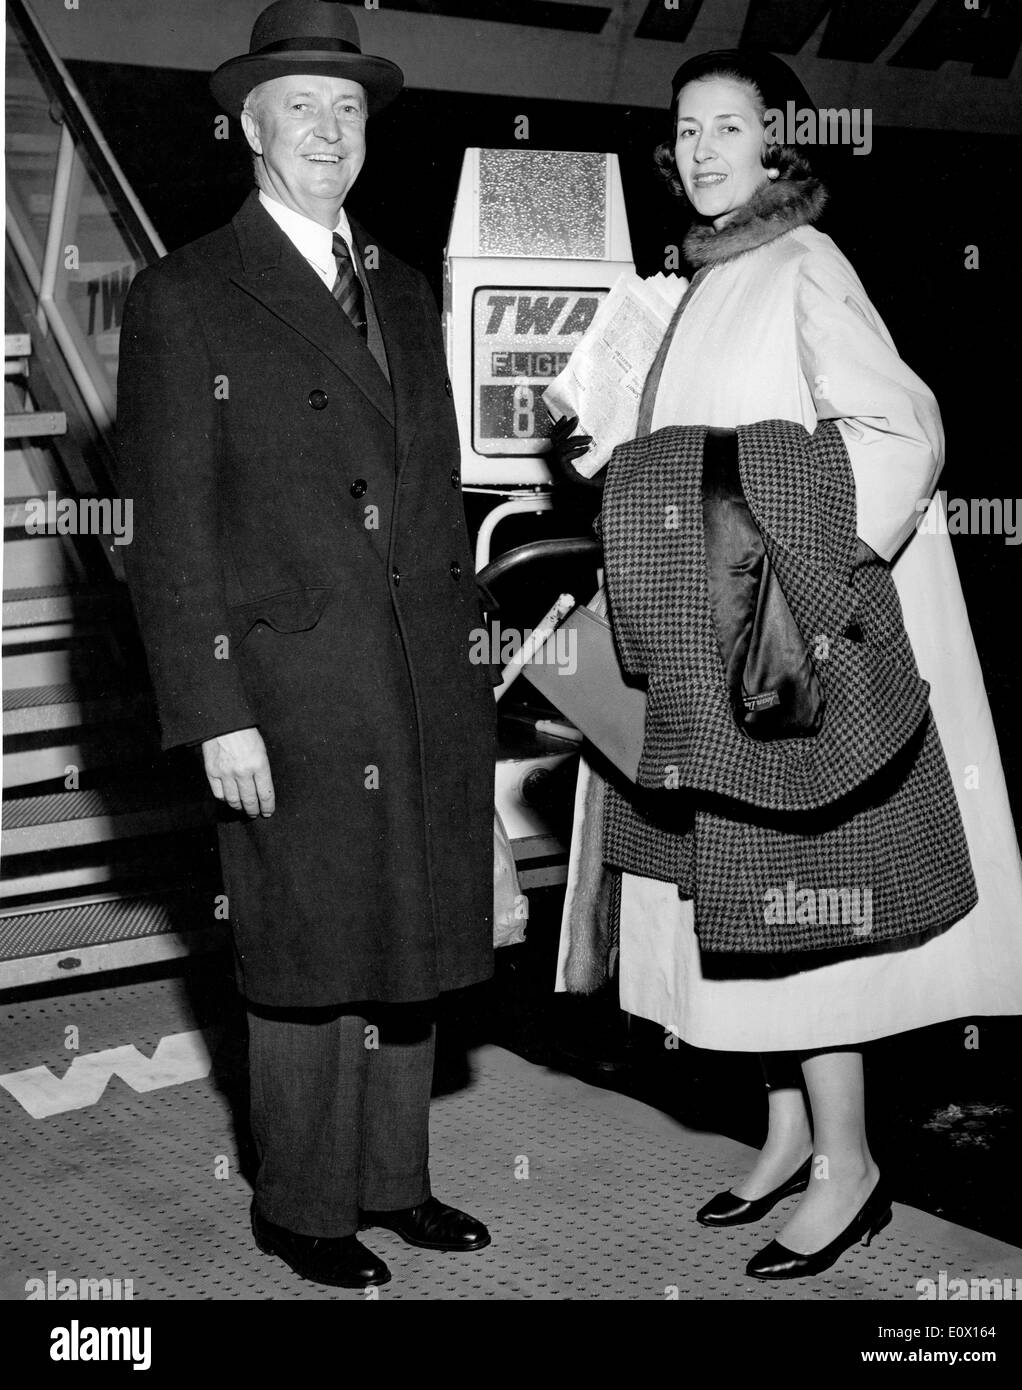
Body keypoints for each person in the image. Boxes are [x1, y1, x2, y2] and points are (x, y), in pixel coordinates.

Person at [554, 48, 1022, 1280]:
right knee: (730, 893)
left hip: (786, 641)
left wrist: (809, 571)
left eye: (733, 127)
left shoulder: (800, 261)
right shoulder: (698, 275)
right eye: (689, 129)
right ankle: (781, 1132)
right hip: (709, 631)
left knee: (798, 899)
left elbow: (901, 428)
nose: (707, 148)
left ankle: (851, 1164)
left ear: (778, 143)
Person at [116, 0, 497, 1290]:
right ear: (250, 129)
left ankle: (396, 1184)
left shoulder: (403, 283)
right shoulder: (185, 295)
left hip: (417, 675)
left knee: (409, 941)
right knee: (304, 953)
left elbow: (434, 494)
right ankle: (302, 1207)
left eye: (348, 110)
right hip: (287, 686)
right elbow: (164, 531)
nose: (330, 130)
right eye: (301, 108)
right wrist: (213, 707)